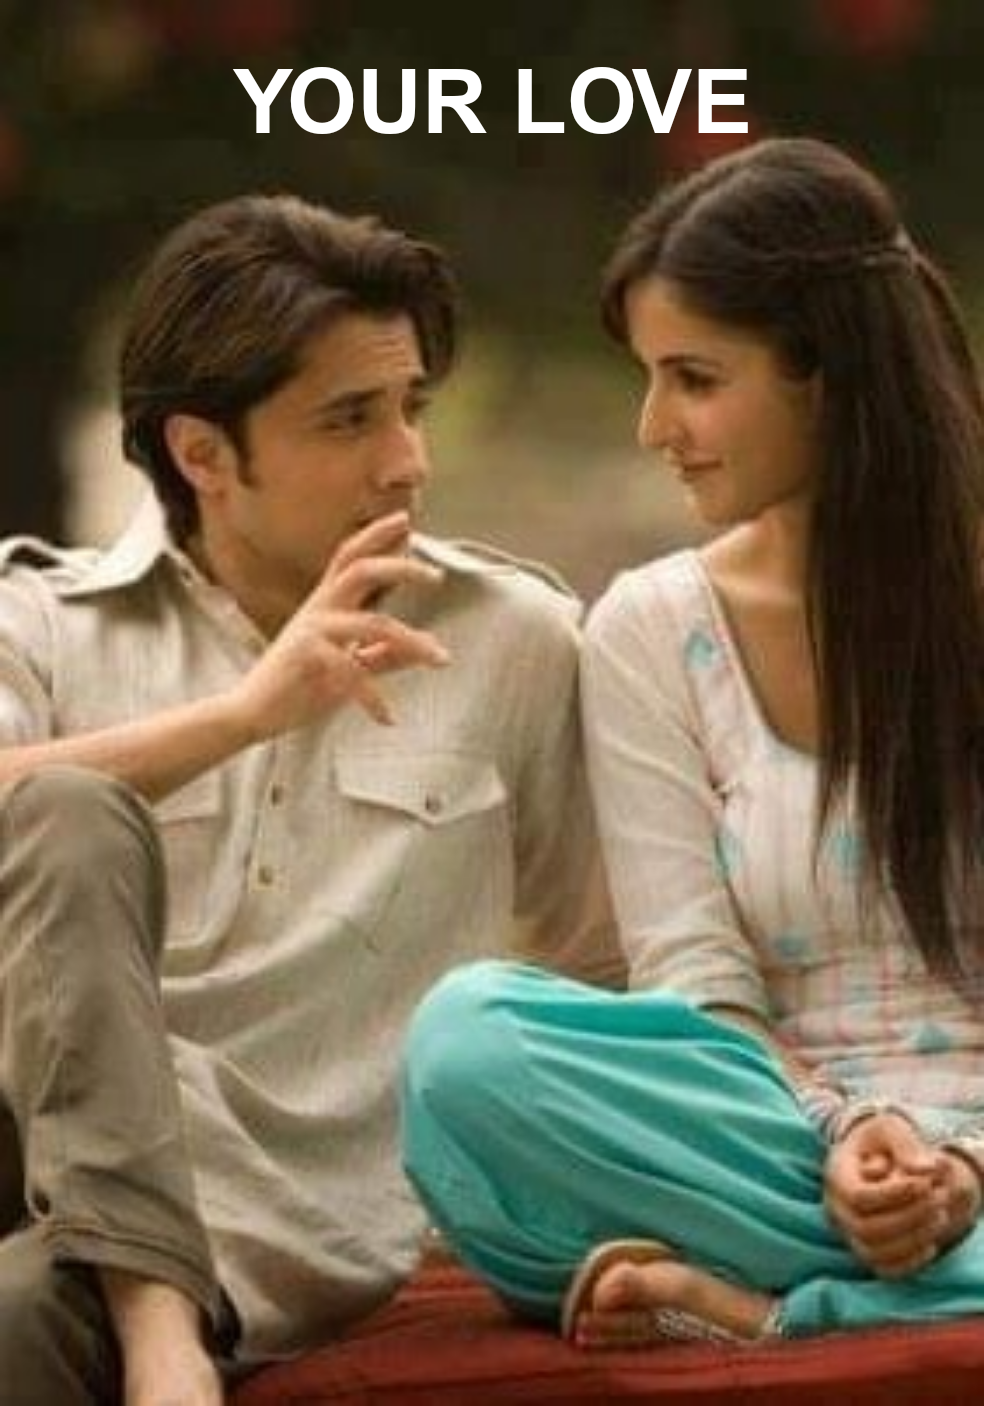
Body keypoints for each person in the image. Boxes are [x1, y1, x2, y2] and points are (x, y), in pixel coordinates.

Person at [0, 193, 623, 1405]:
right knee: (66, 810)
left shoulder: (517, 641)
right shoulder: (40, 623)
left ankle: (151, 1303)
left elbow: (603, 968)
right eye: (350, 418)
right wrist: (243, 715)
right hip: (21, 1148)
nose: (408, 460)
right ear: (201, 453)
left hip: (271, 1233)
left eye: (410, 407)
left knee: (21, 1320)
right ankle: (157, 1324)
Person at [401, 136, 984, 1351]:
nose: (654, 425)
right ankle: (880, 1276)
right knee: (468, 1045)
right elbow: (694, 980)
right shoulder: (654, 628)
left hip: (966, 1162)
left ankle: (771, 1307)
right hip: (773, 1134)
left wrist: (958, 1166)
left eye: (695, 378)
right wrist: (845, 1133)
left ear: (828, 371)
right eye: (650, 378)